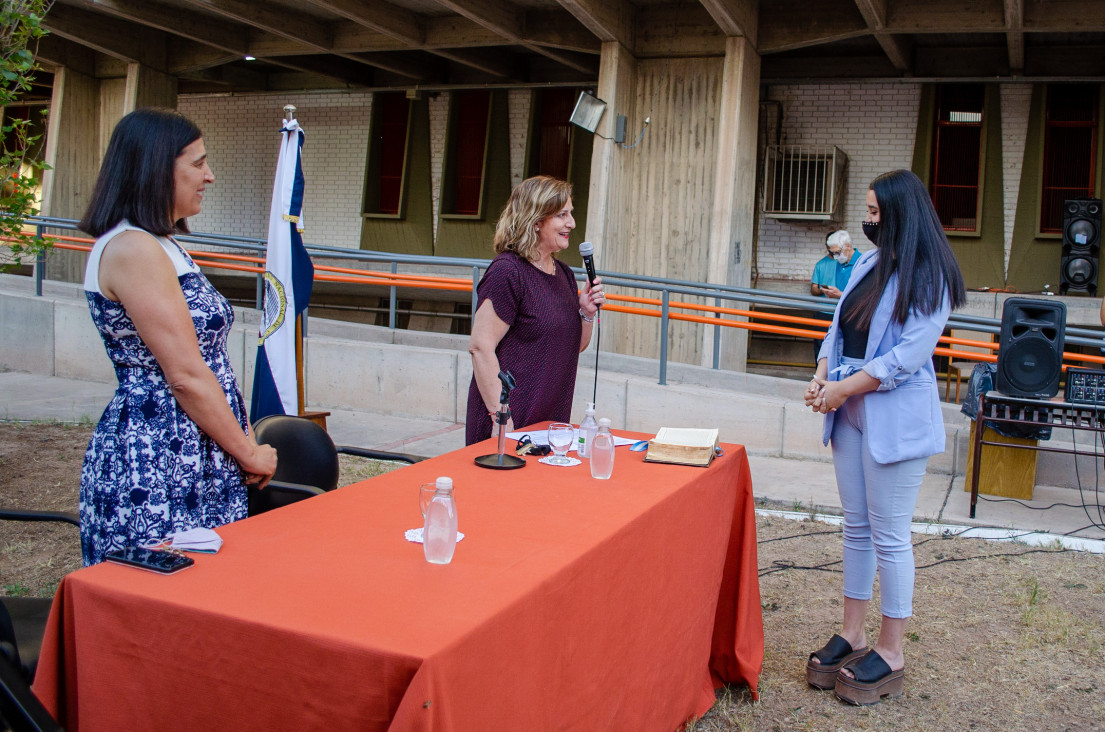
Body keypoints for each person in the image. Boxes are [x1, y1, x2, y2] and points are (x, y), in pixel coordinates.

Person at [77, 108, 277, 565]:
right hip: (161, 452)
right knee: (167, 599)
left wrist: (238, 440)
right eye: (197, 163)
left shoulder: (160, 242)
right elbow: (185, 374)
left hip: (196, 443)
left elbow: (209, 365)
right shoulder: (134, 249)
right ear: (155, 167)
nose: (209, 176)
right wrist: (248, 451)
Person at [803, 169, 966, 705]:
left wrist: (843, 388)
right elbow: (837, 324)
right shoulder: (869, 262)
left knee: (890, 533)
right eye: (868, 212)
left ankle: (891, 650)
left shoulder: (930, 276)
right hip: (847, 409)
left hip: (890, 417)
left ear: (900, 214)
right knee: (856, 525)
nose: (867, 222)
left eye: (874, 213)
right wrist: (823, 373)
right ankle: (852, 631)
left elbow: (905, 359)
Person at [466, 175, 605, 445]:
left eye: (571, 213)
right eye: (562, 215)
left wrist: (586, 313)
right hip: (508, 424)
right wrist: (501, 418)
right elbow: (480, 347)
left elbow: (571, 347)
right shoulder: (508, 271)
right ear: (536, 220)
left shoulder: (563, 274)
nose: (571, 223)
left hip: (550, 425)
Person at [810, 230, 861, 360]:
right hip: (839, 312)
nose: (836, 256)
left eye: (837, 252)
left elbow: (865, 294)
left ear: (848, 246)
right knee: (826, 348)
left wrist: (840, 295)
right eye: (833, 253)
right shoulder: (839, 263)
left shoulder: (862, 263)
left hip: (853, 315)